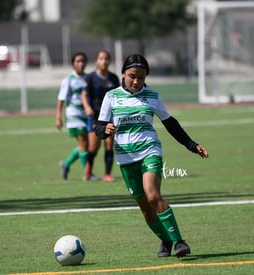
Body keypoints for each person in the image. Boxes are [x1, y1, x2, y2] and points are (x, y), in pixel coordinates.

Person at [95, 54, 209, 257]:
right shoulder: (111, 96)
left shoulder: (153, 96)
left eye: (141, 77)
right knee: (146, 208)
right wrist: (105, 130)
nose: (136, 81)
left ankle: (179, 242)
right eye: (132, 76)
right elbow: (99, 126)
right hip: (125, 158)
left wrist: (191, 145)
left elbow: (170, 123)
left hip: (150, 151)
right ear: (123, 74)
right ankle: (165, 239)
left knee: (153, 196)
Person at [82, 50, 120, 182]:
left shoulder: (114, 78)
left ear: (110, 61)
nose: (104, 61)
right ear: (97, 61)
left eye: (106, 59)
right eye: (101, 58)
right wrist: (87, 107)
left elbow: (118, 96)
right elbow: (84, 95)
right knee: (94, 146)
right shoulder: (90, 78)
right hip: (95, 116)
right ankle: (88, 170)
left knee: (109, 144)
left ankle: (107, 174)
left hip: (110, 116)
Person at [55, 52, 89, 180]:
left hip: (86, 115)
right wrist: (58, 117)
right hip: (74, 115)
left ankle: (66, 164)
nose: (81, 64)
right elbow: (61, 99)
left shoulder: (88, 78)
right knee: (84, 143)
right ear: (73, 64)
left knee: (84, 145)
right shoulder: (68, 80)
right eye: (78, 61)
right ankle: (87, 173)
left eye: (83, 61)